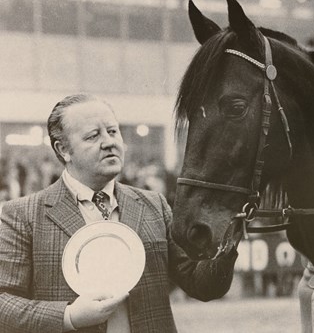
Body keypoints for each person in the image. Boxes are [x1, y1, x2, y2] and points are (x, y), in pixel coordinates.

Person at [0, 94, 237, 332]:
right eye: (93, 136)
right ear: (63, 150)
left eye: (113, 132)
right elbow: (4, 303)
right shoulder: (21, 216)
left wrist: (229, 240)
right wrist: (69, 316)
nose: (108, 142)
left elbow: (201, 285)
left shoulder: (154, 205)